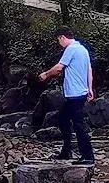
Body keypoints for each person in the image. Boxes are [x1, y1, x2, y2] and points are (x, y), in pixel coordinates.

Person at [39, 29, 96, 164]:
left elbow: (59, 67)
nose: (59, 43)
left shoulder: (71, 49)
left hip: (75, 94)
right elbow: (89, 70)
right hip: (80, 92)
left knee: (78, 124)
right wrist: (90, 88)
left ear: (62, 37)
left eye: (59, 40)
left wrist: (45, 74)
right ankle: (66, 151)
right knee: (63, 119)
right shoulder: (83, 50)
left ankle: (88, 156)